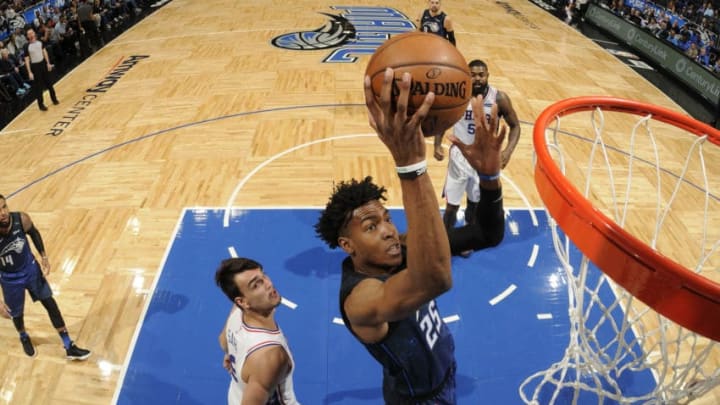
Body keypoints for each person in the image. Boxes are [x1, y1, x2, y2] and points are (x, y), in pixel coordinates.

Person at [314, 68, 506, 403]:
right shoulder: (360, 299)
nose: (389, 231)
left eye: (387, 219)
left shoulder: (399, 248)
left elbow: (487, 233)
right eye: (371, 227)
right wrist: (410, 164)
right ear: (347, 246)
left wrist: (489, 178)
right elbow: (435, 279)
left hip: (445, 376)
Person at [442, 59, 520, 255]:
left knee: (475, 204)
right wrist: (436, 144)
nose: (477, 78)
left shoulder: (499, 98)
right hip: (459, 157)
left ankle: (468, 239)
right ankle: (444, 240)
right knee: (451, 205)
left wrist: (507, 152)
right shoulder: (457, 94)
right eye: (473, 74)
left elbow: (515, 126)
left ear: (487, 76)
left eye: (481, 74)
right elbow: (443, 119)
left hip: (483, 160)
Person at [0, 195, 91, 360]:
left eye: (4, 206)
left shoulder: (21, 219)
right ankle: (23, 336)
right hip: (9, 279)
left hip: (31, 269)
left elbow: (34, 233)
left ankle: (68, 345)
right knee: (17, 314)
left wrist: (44, 256)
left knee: (51, 304)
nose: (3, 212)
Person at [215, 257, 300, 405]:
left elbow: (223, 342)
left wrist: (237, 357)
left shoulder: (237, 312)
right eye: (256, 285)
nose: (268, 284)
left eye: (264, 276)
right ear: (243, 301)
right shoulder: (271, 355)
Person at [416, 0, 456, 162]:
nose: (434, 4)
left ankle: (437, 144)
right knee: (419, 97)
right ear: (428, 2)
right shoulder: (422, 14)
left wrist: (451, 60)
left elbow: (452, 42)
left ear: (441, 4)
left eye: (437, 2)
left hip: (438, 61)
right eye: (432, 1)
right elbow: (418, 33)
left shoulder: (446, 20)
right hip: (424, 57)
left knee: (441, 103)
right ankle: (417, 133)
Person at [23, 28, 59, 111]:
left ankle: (54, 99)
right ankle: (41, 105)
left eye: (32, 32)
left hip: (43, 64)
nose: (31, 35)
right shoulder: (26, 46)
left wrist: (48, 63)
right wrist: (29, 72)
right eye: (29, 34)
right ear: (27, 36)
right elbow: (27, 60)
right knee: (39, 87)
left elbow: (44, 51)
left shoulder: (40, 42)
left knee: (49, 83)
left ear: (34, 33)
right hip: (35, 67)